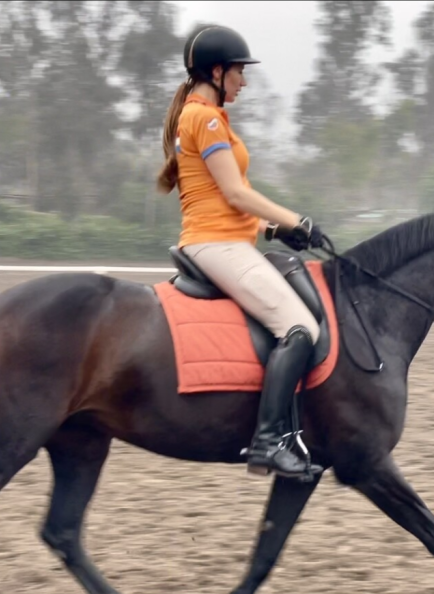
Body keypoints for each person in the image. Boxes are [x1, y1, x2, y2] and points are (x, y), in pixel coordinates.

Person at [156, 24, 326, 480]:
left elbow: (220, 198)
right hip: (215, 244)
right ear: (216, 72)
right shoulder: (205, 119)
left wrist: (272, 228)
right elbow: (235, 193)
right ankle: (268, 442)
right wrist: (297, 220)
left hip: (224, 238)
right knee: (300, 328)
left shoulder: (203, 116)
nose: (243, 82)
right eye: (238, 72)